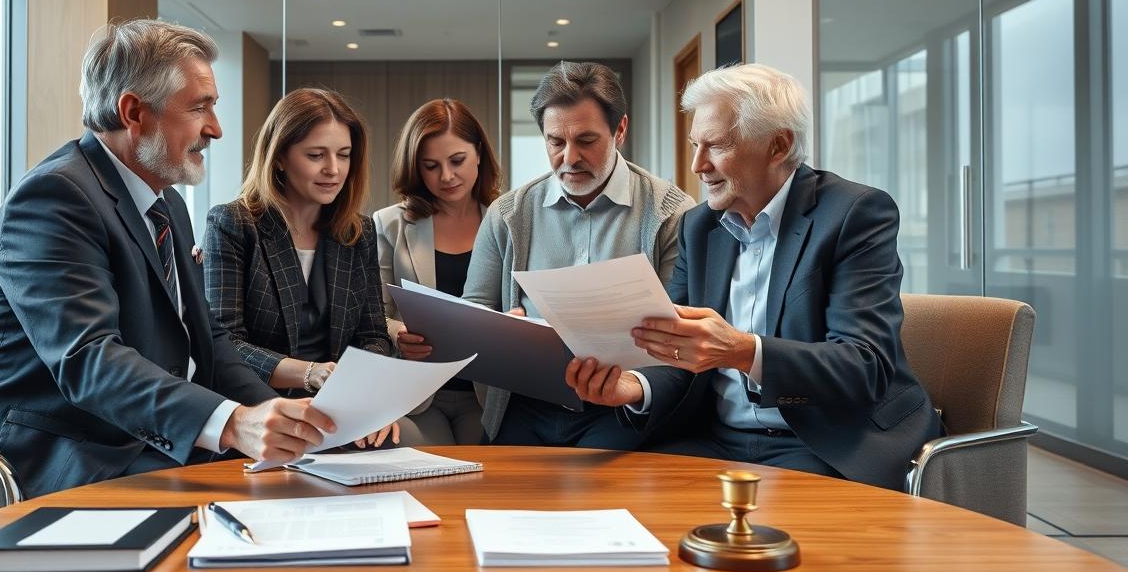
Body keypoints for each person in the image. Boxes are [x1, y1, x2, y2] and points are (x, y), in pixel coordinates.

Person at [0, 19, 336, 499]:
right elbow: (89, 359)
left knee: (308, 483)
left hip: (136, 437)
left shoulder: (166, 202)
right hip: (52, 451)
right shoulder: (52, 199)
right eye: (199, 108)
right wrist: (234, 423)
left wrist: (286, 422)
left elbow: (207, 340)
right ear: (134, 112)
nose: (216, 128)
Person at [565, 63, 941, 490]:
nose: (698, 165)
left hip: (824, 441)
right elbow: (677, 350)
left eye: (717, 146)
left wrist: (744, 352)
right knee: (617, 492)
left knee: (765, 539)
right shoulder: (699, 227)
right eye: (694, 145)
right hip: (717, 439)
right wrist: (634, 387)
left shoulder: (855, 214)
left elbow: (863, 367)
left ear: (778, 145)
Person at [401, 61, 696, 448]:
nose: (569, 158)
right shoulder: (507, 213)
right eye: (555, 142)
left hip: (624, 409)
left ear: (620, 129)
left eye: (587, 141)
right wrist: (498, 332)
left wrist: (632, 386)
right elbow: (474, 310)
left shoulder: (670, 212)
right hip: (524, 407)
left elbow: (683, 333)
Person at [204, 87, 398, 448]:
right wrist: (311, 373)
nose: (334, 170)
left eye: (344, 155)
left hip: (338, 412)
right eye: (315, 155)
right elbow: (226, 344)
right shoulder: (233, 224)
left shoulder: (359, 232)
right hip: (258, 415)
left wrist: (365, 394)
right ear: (278, 157)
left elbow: (372, 334)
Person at [374, 98, 503, 445]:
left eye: (457, 161)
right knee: (424, 471)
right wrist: (400, 332)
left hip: (489, 393)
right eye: (431, 166)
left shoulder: (507, 221)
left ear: (479, 153)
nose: (446, 176)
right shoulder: (390, 224)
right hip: (417, 395)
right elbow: (374, 314)